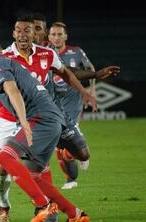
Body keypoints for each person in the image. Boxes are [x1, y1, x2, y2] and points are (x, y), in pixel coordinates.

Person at [0, 32, 90, 222]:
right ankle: (74, 214)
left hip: (40, 118)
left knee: (5, 157)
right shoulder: (10, 60)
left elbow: (13, 91)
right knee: (34, 176)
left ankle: (43, 206)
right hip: (53, 118)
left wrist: (24, 123)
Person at [48, 21, 95, 189]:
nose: (56, 37)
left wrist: (91, 91)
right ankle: (72, 177)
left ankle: (79, 162)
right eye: (53, 34)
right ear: (49, 36)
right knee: (59, 146)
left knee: (66, 140)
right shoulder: (44, 53)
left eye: (60, 34)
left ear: (65, 36)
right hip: (54, 104)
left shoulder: (76, 52)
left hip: (72, 103)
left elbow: (90, 68)